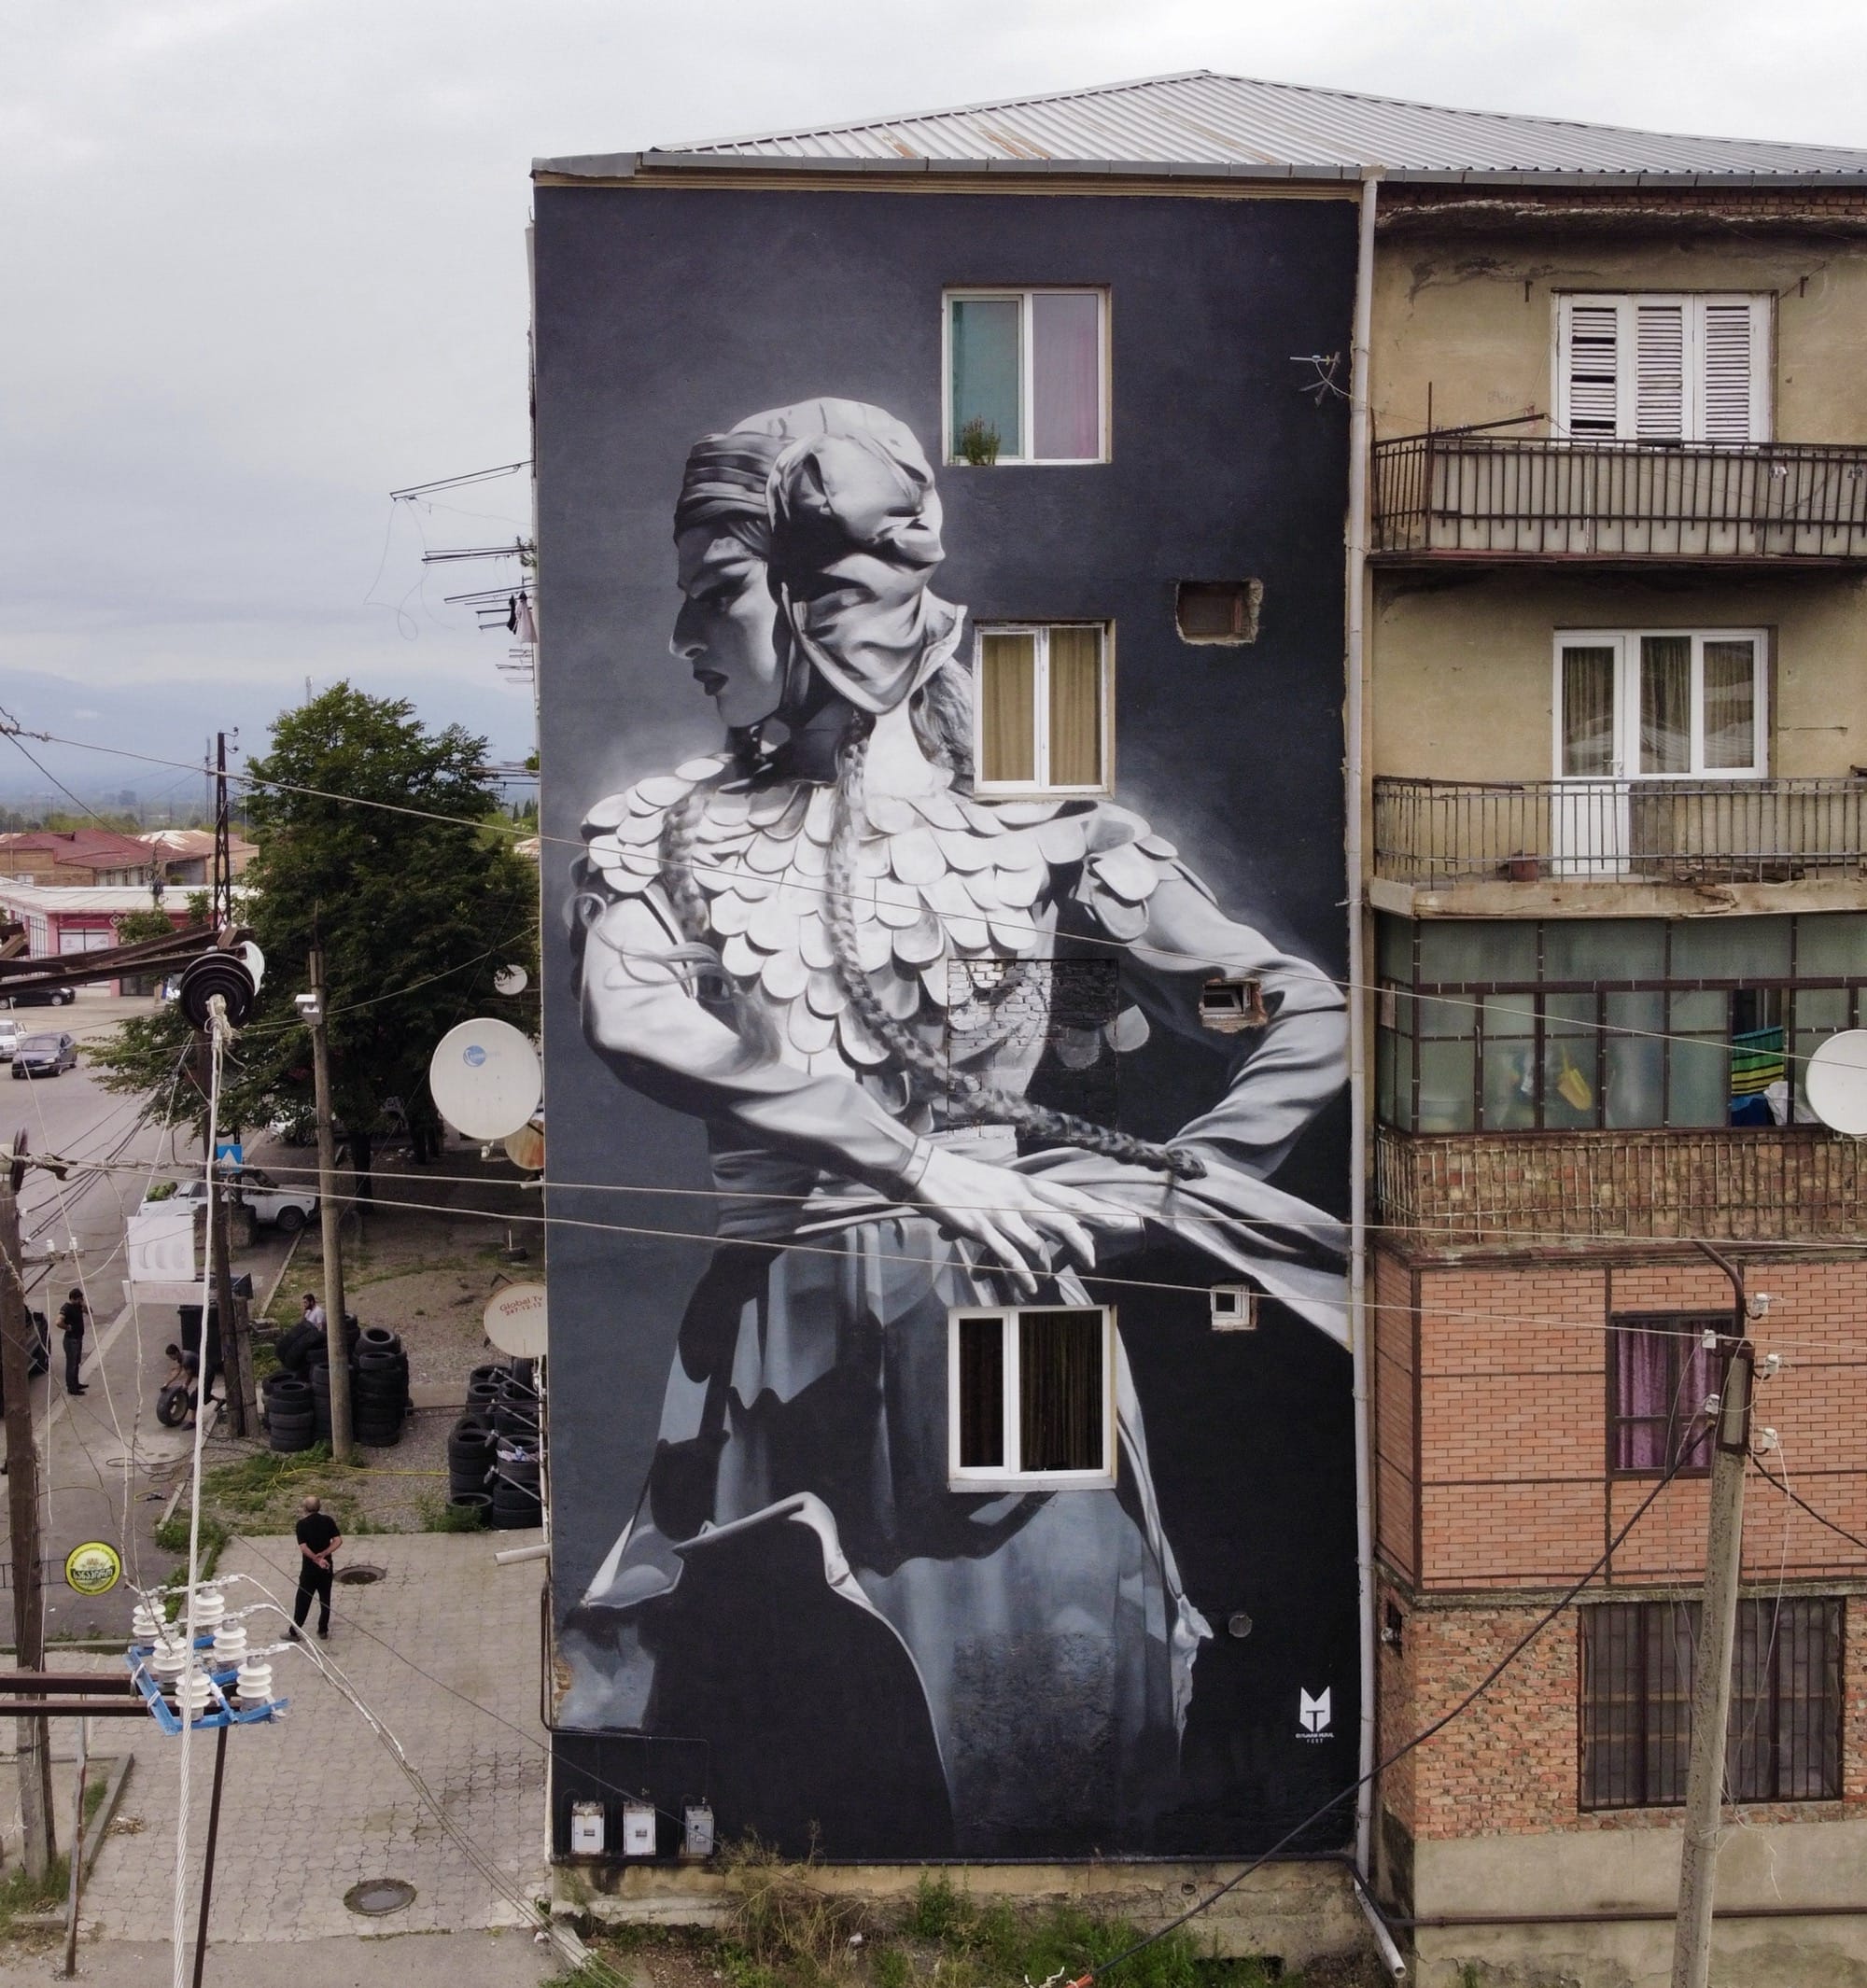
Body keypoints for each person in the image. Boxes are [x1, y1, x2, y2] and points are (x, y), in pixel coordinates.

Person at [562, 400, 1349, 1850]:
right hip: (776, 1327)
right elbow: (633, 1021)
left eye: (712, 589)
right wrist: (914, 1158)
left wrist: (1182, 1185)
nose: (684, 634)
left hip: (1018, 1319)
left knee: (1046, 1649)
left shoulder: (1043, 825)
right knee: (773, 1688)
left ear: (820, 602)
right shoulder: (651, 829)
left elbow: (1297, 1007)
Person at [288, 1493, 342, 1641]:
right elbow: (338, 1541)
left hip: (309, 1570)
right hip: (326, 1567)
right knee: (325, 1599)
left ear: (305, 1508)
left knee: (303, 1600)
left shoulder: (302, 1524)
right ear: (320, 1507)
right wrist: (324, 1554)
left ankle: (295, 1631)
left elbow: (304, 1548)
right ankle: (323, 1630)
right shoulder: (328, 1521)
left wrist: (315, 1559)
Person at [58, 1288, 88, 1396]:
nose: (80, 1301)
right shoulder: (66, 1308)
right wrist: (67, 1327)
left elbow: (89, 1311)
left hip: (78, 1338)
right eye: (79, 1299)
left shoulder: (78, 1306)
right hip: (71, 1341)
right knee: (71, 1364)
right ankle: (71, 1387)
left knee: (76, 1363)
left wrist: (83, 1304)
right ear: (73, 1299)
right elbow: (58, 1322)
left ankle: (76, 1383)